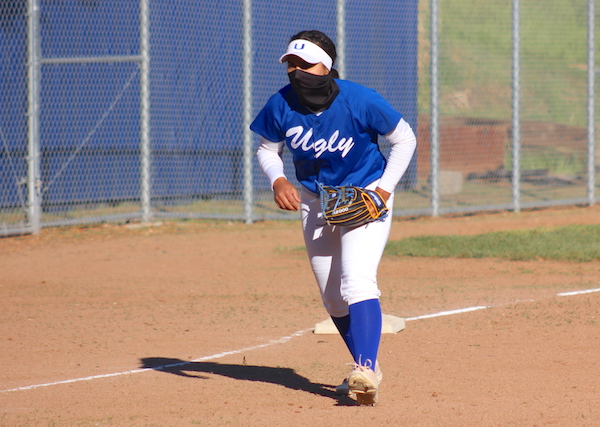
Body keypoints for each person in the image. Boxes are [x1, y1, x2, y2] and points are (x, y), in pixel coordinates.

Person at [250, 30, 416, 406]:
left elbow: (404, 138)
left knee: (356, 281)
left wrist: (383, 189)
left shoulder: (360, 99)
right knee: (332, 299)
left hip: (364, 198)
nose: (296, 72)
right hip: (316, 202)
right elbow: (267, 148)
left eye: (305, 64)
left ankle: (366, 369)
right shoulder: (281, 104)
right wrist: (277, 179)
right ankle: (365, 367)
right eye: (291, 65)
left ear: (326, 65)